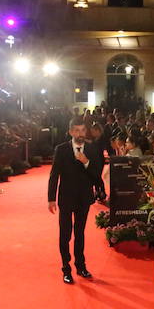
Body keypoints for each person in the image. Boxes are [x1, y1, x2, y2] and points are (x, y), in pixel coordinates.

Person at [47, 117, 103, 285]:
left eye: (82, 130)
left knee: (80, 234)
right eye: (76, 130)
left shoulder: (92, 149)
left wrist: (86, 162)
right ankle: (66, 268)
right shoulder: (61, 149)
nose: (80, 134)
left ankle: (81, 266)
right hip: (65, 198)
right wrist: (51, 198)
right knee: (65, 235)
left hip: (84, 198)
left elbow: (97, 177)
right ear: (71, 131)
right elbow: (54, 174)